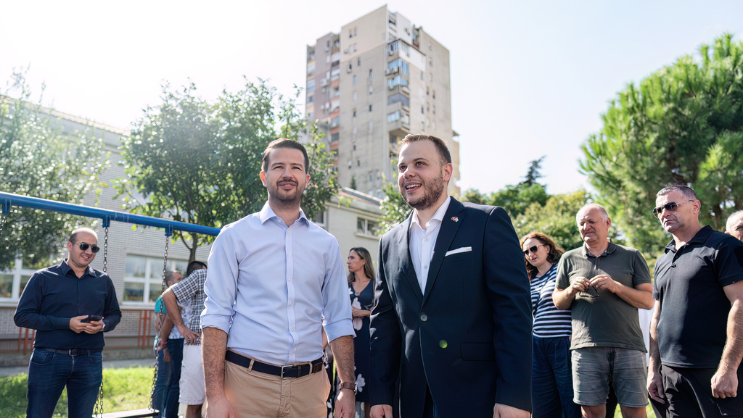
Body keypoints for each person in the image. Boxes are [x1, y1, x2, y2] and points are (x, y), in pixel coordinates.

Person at [369, 134, 533, 418]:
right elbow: (384, 323)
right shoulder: (388, 242)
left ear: (446, 172)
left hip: (477, 395)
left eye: (420, 164)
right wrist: (380, 394)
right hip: (414, 398)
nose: (408, 173)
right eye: (402, 167)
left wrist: (514, 396)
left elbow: (513, 313)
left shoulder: (486, 222)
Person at [200, 138, 356, 418]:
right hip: (245, 386)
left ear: (306, 179)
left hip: (309, 390)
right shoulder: (234, 236)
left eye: (296, 167)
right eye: (278, 167)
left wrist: (347, 387)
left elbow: (338, 318)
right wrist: (214, 395)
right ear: (264, 177)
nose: (287, 174)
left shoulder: (327, 244)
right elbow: (216, 316)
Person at [647, 185, 743, 417]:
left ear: (695, 206)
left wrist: (728, 368)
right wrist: (654, 369)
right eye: (658, 210)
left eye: (671, 206)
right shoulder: (663, 259)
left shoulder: (724, 246)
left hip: (713, 372)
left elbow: (740, 304)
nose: (664, 213)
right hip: (671, 374)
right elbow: (657, 317)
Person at [553, 204, 653, 418]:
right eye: (581, 223)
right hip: (585, 347)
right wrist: (571, 290)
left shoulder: (631, 255)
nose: (586, 227)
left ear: (607, 223)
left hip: (628, 345)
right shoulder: (568, 258)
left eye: (591, 221)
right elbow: (559, 302)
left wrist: (616, 287)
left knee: (635, 411)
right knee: (591, 412)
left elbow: (648, 301)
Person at [14, 227, 121, 418]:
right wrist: (66, 323)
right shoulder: (43, 277)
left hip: (90, 359)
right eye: (84, 246)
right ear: (70, 246)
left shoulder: (103, 280)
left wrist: (103, 325)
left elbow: (114, 314)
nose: (89, 251)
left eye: (94, 248)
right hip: (49, 358)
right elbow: (22, 316)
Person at [521, 232, 580, 418]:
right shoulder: (529, 279)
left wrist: (575, 333)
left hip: (562, 342)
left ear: (547, 248)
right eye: (526, 252)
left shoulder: (562, 270)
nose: (530, 254)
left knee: (570, 400)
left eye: (534, 248)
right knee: (541, 402)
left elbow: (578, 302)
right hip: (537, 345)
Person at [161, 260, 207, 418]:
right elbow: (167, 312)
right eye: (178, 279)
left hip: (225, 347)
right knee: (179, 387)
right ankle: (168, 414)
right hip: (193, 342)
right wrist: (179, 329)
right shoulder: (201, 277)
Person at [346, 247, 375, 418]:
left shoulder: (375, 285)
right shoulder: (345, 285)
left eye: (352, 258)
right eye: (348, 258)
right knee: (348, 381)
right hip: (348, 339)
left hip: (368, 339)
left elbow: (385, 311)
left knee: (368, 384)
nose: (348, 261)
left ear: (363, 261)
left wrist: (364, 313)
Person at [153, 270, 184, 418]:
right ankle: (158, 414)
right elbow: (159, 325)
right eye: (179, 279)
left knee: (170, 381)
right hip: (164, 345)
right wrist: (164, 349)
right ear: (170, 283)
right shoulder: (165, 298)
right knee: (163, 382)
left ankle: (166, 412)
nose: (182, 282)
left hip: (169, 343)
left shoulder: (177, 298)